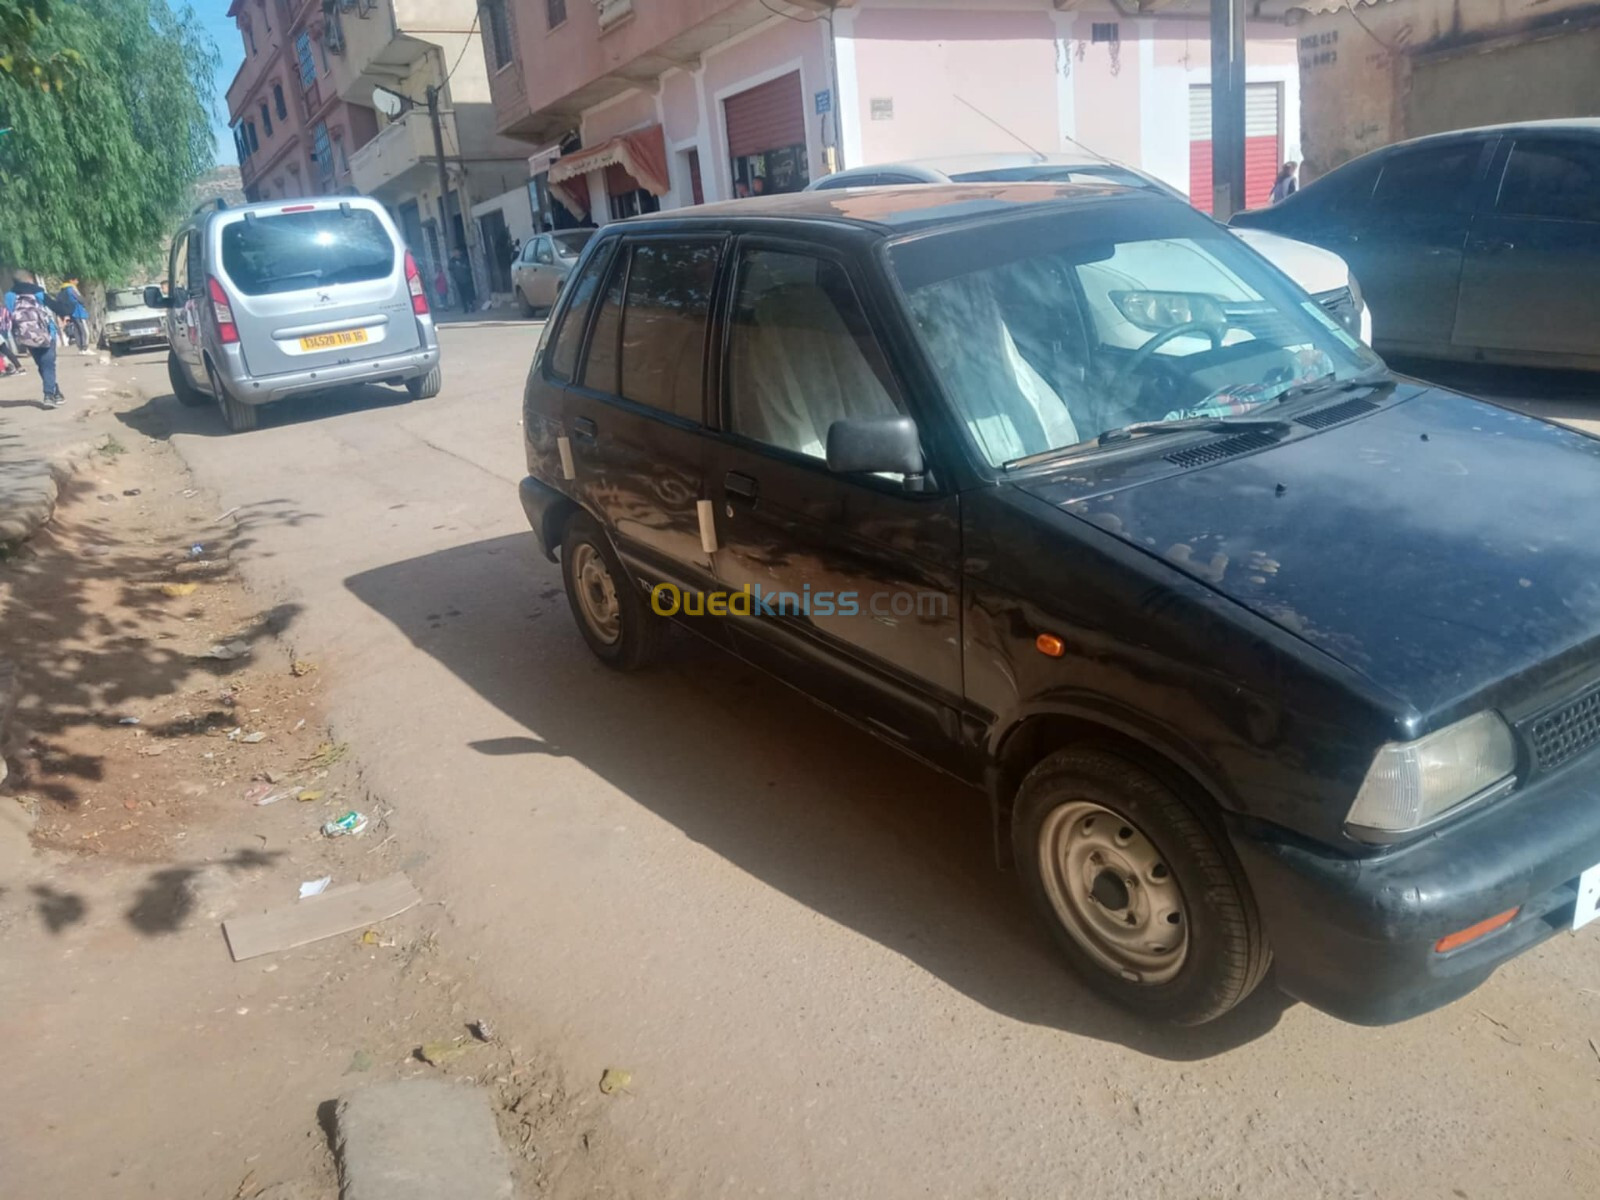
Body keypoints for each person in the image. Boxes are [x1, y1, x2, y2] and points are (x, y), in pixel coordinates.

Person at [9, 275, 64, 407]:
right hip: (46, 333)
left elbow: (12, 315)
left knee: (42, 364)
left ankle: (55, 392)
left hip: (27, 336)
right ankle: (49, 395)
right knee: (49, 363)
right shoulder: (37, 291)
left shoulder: (9, 296)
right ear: (29, 279)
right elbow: (55, 307)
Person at [60, 278, 89, 353]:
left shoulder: (63, 289)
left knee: (76, 329)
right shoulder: (71, 289)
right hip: (77, 311)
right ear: (71, 280)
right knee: (83, 330)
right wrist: (83, 300)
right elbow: (80, 299)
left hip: (70, 312)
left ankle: (80, 348)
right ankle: (84, 348)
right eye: (76, 280)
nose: (77, 281)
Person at [447, 246, 476, 315]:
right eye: (454, 252)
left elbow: (469, 268)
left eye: (456, 252)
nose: (455, 253)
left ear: (460, 252)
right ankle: (465, 308)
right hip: (458, 280)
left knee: (469, 293)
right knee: (462, 294)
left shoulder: (464, 259)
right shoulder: (452, 260)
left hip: (466, 279)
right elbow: (450, 268)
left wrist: (462, 266)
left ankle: (471, 306)